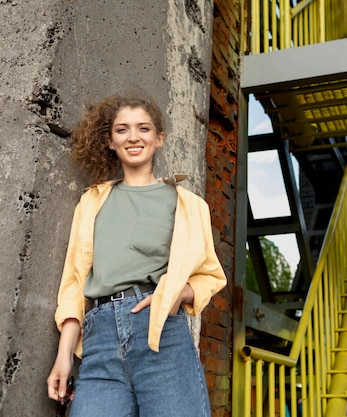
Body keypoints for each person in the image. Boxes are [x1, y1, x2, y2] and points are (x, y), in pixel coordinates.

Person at [46, 93, 227, 417]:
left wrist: (177, 294)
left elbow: (210, 275)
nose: (133, 137)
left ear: (159, 138)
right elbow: (73, 283)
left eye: (143, 128)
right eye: (122, 129)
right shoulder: (91, 202)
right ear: (110, 141)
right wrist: (63, 356)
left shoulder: (187, 204)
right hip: (99, 339)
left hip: (160, 333)